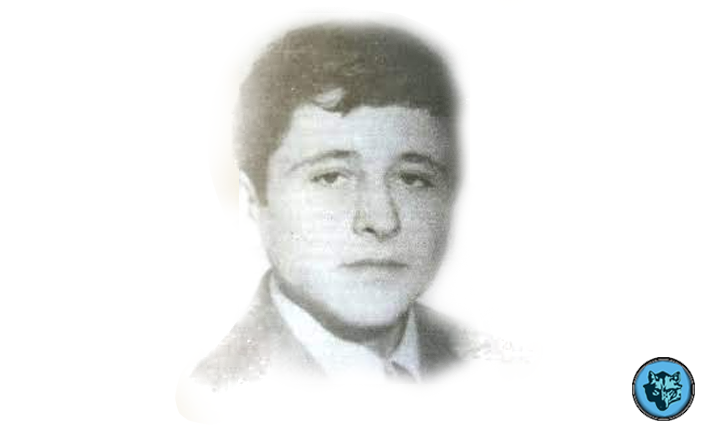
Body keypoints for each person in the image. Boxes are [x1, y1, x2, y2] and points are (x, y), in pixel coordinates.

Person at [190, 21, 481, 388]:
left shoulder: (514, 374)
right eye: (330, 177)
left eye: (412, 178)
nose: (381, 220)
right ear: (252, 204)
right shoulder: (209, 391)